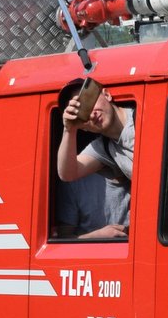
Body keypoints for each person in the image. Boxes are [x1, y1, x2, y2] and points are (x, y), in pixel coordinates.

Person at [56, 79, 133, 239]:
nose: (91, 113)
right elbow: (67, 174)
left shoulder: (143, 117)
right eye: (83, 113)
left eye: (90, 102)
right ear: (83, 127)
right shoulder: (104, 148)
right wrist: (69, 130)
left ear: (106, 94)